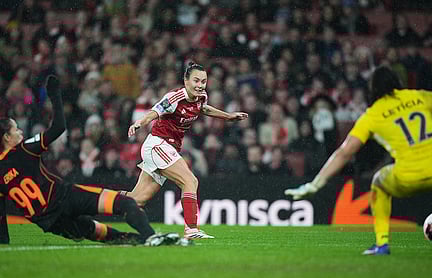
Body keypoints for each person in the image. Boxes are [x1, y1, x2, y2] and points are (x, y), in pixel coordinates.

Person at [285, 66, 432, 255]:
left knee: (379, 182)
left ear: (373, 89)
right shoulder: (421, 96)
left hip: (408, 177)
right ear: (397, 82)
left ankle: (382, 244)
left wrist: (317, 182)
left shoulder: (372, 115)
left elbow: (345, 152)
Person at [0, 76, 178, 247]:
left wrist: (4, 241)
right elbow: (59, 127)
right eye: (16, 129)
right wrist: (54, 93)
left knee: (95, 231)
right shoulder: (23, 150)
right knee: (126, 203)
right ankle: (152, 237)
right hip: (63, 197)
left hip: (49, 222)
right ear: (7, 137)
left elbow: (1, 212)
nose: (21, 132)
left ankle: (142, 241)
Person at [125, 62, 248, 239]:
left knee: (137, 201)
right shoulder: (175, 98)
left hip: (167, 148)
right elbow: (155, 111)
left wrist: (228, 116)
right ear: (186, 80)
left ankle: (93, 203)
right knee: (190, 181)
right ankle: (191, 229)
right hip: (158, 145)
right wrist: (139, 123)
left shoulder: (201, 97)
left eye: (203, 82)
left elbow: (203, 109)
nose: (200, 85)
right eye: (196, 81)